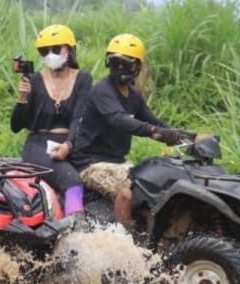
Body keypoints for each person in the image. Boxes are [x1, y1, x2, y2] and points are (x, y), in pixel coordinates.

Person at [69, 33, 197, 228]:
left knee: (161, 183)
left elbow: (155, 121)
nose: (120, 68)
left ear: (137, 66)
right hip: (90, 163)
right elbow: (118, 119)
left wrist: (190, 138)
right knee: (126, 193)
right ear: (108, 64)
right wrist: (154, 131)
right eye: (114, 63)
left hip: (118, 162)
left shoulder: (133, 95)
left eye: (125, 63)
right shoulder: (102, 91)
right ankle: (125, 244)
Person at [10, 24, 93, 216]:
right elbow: (16, 126)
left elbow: (79, 118)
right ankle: (75, 227)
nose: (50, 55)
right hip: (38, 144)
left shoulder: (83, 79)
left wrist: (68, 145)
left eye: (56, 49)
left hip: (69, 143)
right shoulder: (35, 80)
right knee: (71, 181)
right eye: (44, 51)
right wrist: (22, 98)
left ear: (70, 50)